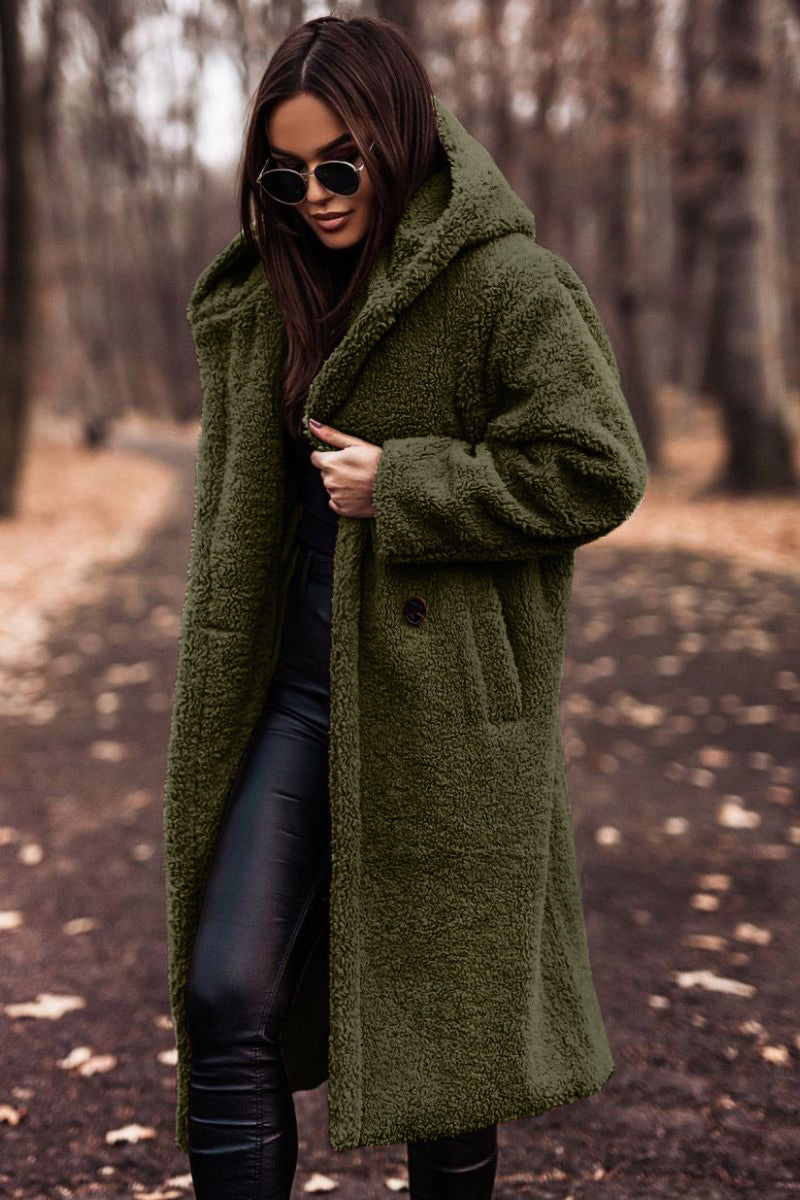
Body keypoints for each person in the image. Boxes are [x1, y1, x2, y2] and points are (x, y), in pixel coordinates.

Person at [164, 13, 647, 1200]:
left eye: (341, 166)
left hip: (445, 715)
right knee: (225, 993)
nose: (316, 197)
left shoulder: (507, 285)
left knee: (451, 1060)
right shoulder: (262, 297)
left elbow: (597, 467)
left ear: (399, 141)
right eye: (285, 176)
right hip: (289, 700)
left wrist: (412, 482)